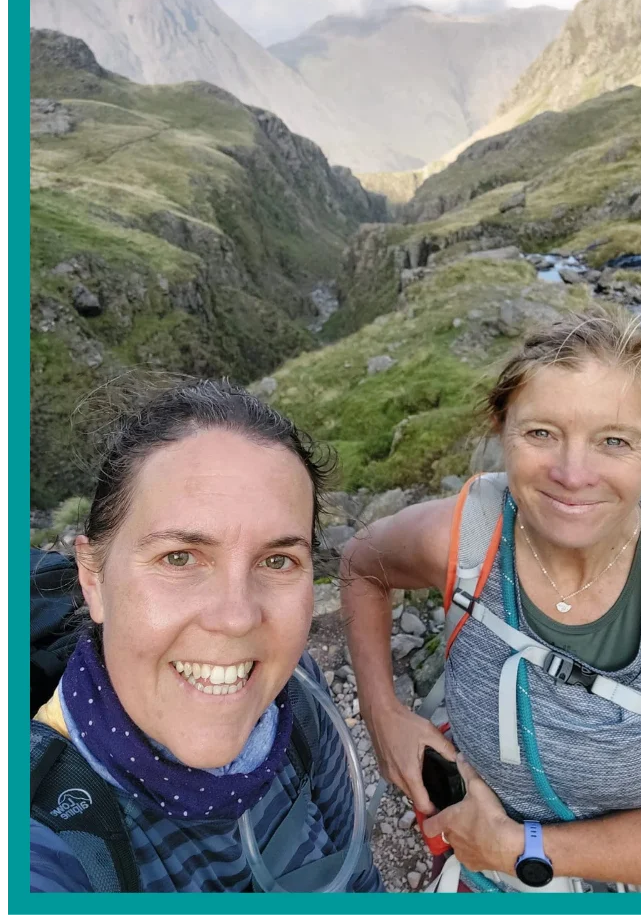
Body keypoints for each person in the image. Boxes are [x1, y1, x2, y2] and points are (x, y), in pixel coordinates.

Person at [341, 307, 641, 893]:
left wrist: (518, 848)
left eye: (614, 441)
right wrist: (382, 713)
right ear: (502, 427)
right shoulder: (467, 538)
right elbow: (361, 565)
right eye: (541, 433)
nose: (573, 474)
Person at [30, 379, 383, 893]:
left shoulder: (300, 696)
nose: (237, 618)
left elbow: (356, 874)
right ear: (93, 578)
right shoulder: (48, 827)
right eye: (179, 557)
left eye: (278, 560)